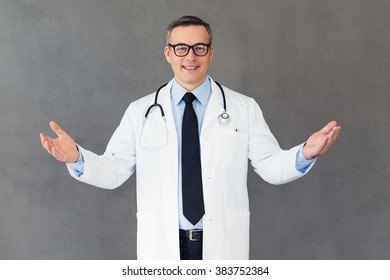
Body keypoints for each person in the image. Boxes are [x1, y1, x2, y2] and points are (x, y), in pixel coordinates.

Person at [40, 15, 341, 260]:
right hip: (163, 242)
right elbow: (115, 170)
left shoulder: (243, 108)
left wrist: (304, 154)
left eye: (199, 47)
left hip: (221, 241)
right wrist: (78, 158)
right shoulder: (140, 111)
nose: (190, 57)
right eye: (181, 48)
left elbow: (270, 165)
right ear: (168, 53)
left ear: (211, 52)